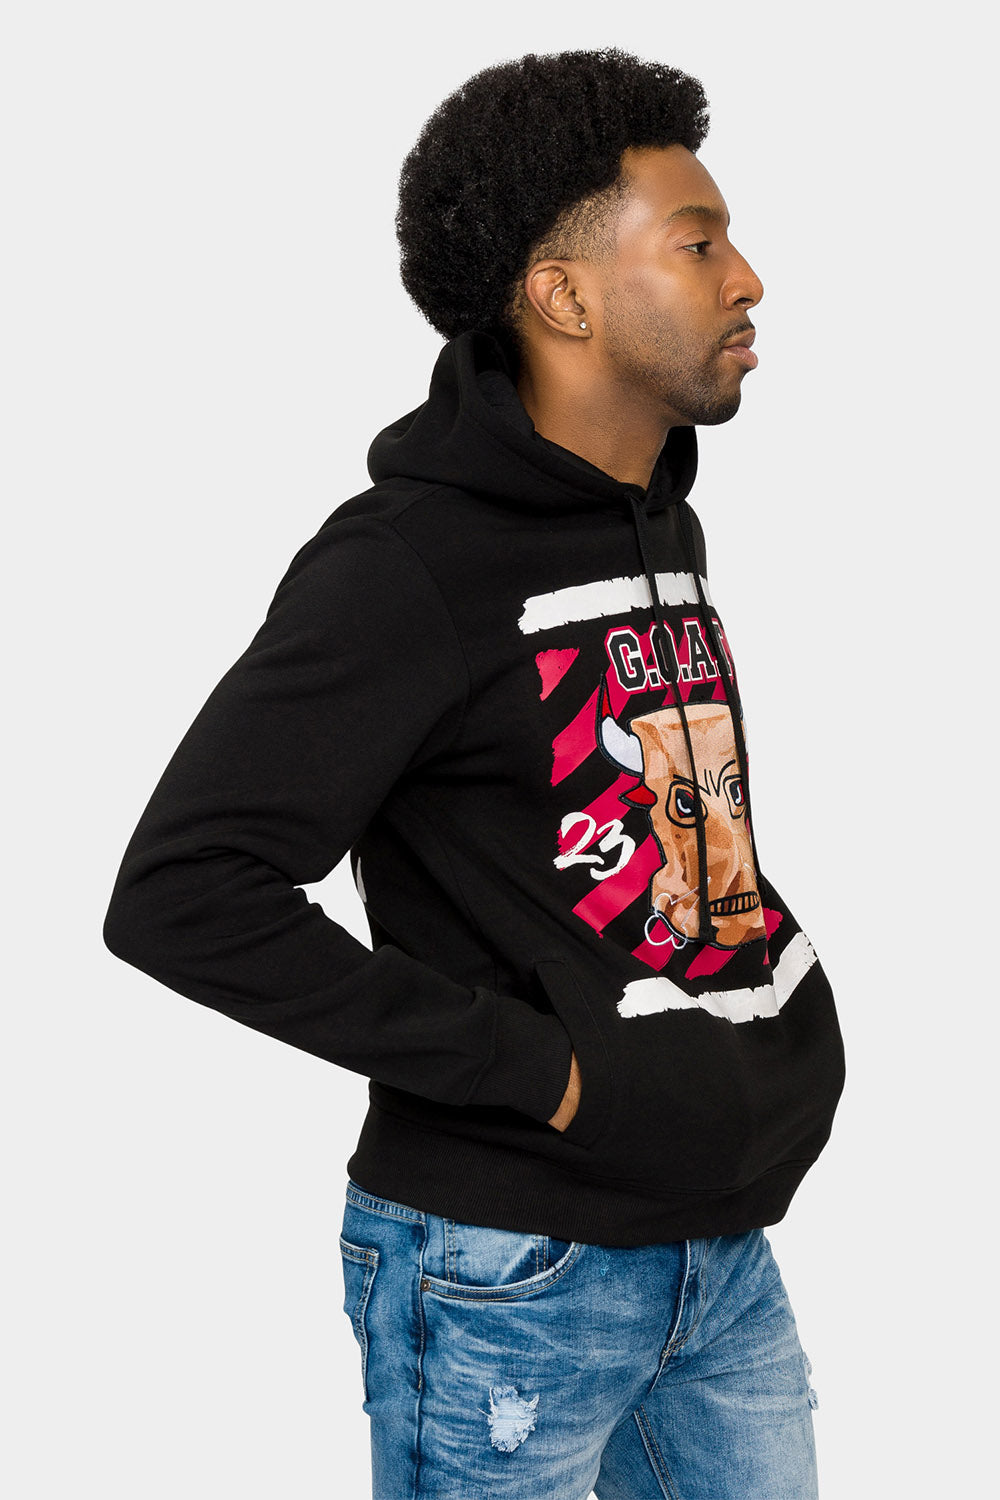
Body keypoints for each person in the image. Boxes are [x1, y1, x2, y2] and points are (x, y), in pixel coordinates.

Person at [103, 46, 846, 1500]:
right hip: (511, 1269)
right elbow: (183, 893)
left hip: (718, 1250)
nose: (748, 278)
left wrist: (773, 1023)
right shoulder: (407, 565)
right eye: (697, 244)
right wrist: (549, 1076)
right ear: (563, 297)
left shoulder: (654, 523)